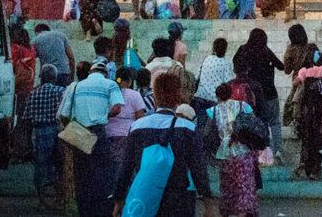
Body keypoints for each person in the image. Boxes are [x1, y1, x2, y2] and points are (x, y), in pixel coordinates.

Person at [114, 71, 207, 217]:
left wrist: (119, 198)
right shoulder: (188, 128)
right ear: (178, 96)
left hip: (147, 196)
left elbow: (126, 166)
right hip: (178, 199)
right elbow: (198, 167)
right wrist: (207, 200)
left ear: (155, 96)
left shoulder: (138, 126)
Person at [58, 60, 124, 217]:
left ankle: (85, 209)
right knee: (102, 171)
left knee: (82, 172)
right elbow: (117, 108)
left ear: (90, 73)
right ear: (105, 73)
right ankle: (101, 209)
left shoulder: (76, 86)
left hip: (80, 133)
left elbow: (64, 114)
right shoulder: (110, 84)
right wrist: (103, 115)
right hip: (98, 132)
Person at [207, 81, 259, 217]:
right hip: (244, 152)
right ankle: (243, 213)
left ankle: (225, 212)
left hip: (225, 153)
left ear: (217, 96)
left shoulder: (212, 111)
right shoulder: (244, 106)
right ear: (231, 93)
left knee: (227, 187)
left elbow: (207, 132)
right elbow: (255, 126)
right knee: (244, 186)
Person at [234, 29, 286, 163]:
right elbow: (281, 66)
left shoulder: (243, 50)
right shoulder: (266, 51)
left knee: (256, 123)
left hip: (252, 94)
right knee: (274, 122)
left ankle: (259, 152)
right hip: (269, 92)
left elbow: (235, 63)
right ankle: (278, 150)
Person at [22, 64, 65, 206]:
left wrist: (27, 141)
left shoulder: (33, 93)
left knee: (40, 166)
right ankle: (58, 199)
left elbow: (27, 119)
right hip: (56, 131)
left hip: (39, 132)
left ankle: (42, 201)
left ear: (42, 77)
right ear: (55, 77)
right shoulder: (60, 91)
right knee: (59, 165)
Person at [294, 52, 322, 179]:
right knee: (320, 139)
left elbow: (295, 83)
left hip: (307, 109)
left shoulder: (307, 71)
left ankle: (304, 161)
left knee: (307, 137)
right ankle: (315, 170)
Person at [107, 66, 147, 169]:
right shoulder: (135, 95)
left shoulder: (110, 93)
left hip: (109, 134)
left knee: (111, 166)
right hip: (127, 135)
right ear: (130, 81)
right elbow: (140, 118)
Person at [10, 26, 36, 161]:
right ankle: (27, 150)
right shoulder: (31, 50)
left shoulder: (16, 49)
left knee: (18, 123)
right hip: (29, 89)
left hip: (18, 89)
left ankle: (18, 152)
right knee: (26, 123)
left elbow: (11, 65)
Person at [32, 23, 76, 88]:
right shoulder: (61, 36)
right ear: (48, 30)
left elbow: (33, 58)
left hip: (48, 76)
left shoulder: (36, 40)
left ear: (36, 32)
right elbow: (71, 58)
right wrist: (71, 76)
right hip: (64, 73)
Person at [195, 37, 234, 103]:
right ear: (225, 49)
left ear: (213, 48)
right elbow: (228, 83)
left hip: (200, 95)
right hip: (215, 98)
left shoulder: (207, 59)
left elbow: (198, 76)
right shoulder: (226, 63)